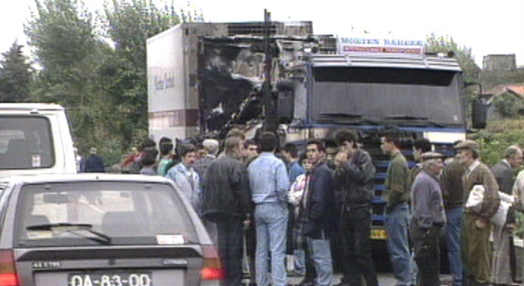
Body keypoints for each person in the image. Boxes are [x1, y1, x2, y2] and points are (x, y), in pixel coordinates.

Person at [201, 136, 252, 286]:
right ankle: (234, 280)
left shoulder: (214, 165)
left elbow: (206, 187)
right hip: (234, 211)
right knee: (235, 249)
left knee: (222, 247)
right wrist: (247, 212)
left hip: (216, 211)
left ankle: (224, 279)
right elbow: (242, 191)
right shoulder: (238, 166)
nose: (243, 152)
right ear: (235, 148)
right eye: (242, 148)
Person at [333, 129, 378, 286]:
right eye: (340, 146)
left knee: (362, 251)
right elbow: (336, 184)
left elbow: (361, 177)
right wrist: (338, 167)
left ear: (352, 142)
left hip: (361, 207)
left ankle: (371, 282)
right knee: (347, 250)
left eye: (345, 145)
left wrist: (346, 164)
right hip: (346, 208)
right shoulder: (344, 161)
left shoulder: (364, 157)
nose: (343, 150)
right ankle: (353, 281)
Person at [455, 140, 500, 286]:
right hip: (468, 217)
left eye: (460, 152)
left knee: (480, 255)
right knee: (468, 255)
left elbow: (493, 196)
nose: (458, 156)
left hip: (477, 219)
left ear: (469, 153)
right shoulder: (468, 172)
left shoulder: (483, 171)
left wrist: (484, 217)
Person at [248, 132, 290, 286]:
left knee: (261, 249)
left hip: (258, 207)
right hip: (275, 206)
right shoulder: (277, 164)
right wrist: (285, 201)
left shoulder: (253, 164)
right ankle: (279, 282)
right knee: (277, 248)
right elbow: (283, 188)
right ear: (275, 145)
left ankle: (261, 281)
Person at [297, 139, 337, 286]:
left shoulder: (322, 172)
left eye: (314, 151)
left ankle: (324, 283)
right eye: (308, 151)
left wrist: (313, 220)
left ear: (322, 153)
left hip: (320, 224)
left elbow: (320, 199)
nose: (310, 154)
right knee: (316, 256)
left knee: (321, 257)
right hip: (314, 221)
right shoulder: (315, 171)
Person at [410, 152, 446, 286]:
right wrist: (427, 228)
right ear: (430, 166)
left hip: (431, 228)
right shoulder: (424, 181)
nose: (442, 166)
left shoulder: (431, 179)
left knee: (431, 267)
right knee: (428, 267)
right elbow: (422, 206)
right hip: (426, 229)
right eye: (438, 162)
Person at [381, 132, 412, 286]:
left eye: (383, 143)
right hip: (397, 208)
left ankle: (404, 280)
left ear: (391, 143)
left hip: (397, 209)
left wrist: (389, 203)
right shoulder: (396, 161)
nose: (382, 147)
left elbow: (397, 189)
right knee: (398, 247)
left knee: (399, 248)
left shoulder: (398, 162)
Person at [490, 145, 523, 286]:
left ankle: (495, 276)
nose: (520, 161)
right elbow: (509, 199)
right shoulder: (506, 172)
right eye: (519, 158)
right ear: (511, 157)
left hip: (493, 213)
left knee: (497, 247)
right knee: (503, 248)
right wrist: (511, 220)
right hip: (502, 214)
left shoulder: (496, 168)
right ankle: (501, 279)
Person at [440, 141, 467, 286]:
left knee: (454, 246)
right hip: (469, 210)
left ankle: (457, 278)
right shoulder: (473, 168)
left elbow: (444, 192)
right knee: (467, 245)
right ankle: (467, 275)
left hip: (453, 210)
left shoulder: (449, 168)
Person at [281, 142, 306, 276]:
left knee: (296, 237)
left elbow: (293, 187)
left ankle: (299, 267)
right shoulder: (292, 167)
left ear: (288, 153)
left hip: (294, 206)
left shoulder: (296, 169)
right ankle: (296, 266)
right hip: (292, 205)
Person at [166, 143, 202, 214]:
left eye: (194, 157)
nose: (192, 159)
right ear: (182, 157)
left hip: (194, 212)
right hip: (178, 211)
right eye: (189, 156)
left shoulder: (196, 174)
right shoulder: (174, 172)